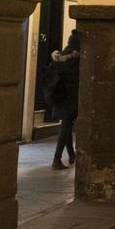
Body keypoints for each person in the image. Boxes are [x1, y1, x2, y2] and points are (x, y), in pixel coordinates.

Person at [42, 30, 80, 171]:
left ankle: (71, 155)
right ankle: (57, 159)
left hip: (59, 96)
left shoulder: (58, 58)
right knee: (66, 126)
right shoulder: (76, 60)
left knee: (67, 125)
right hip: (71, 97)